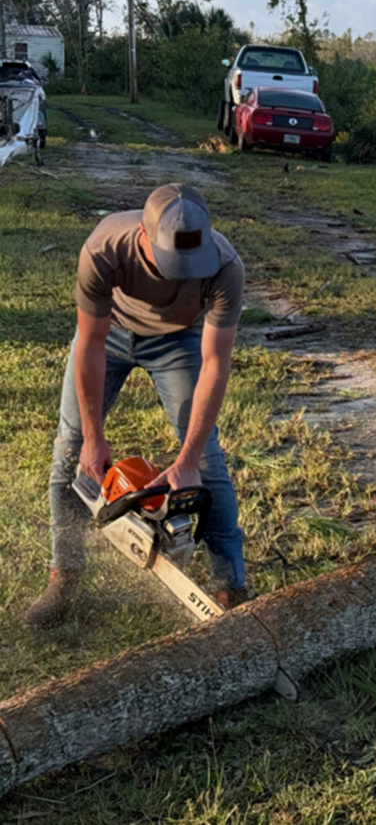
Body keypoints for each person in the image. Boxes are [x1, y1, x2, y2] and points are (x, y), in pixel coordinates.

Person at [25, 184, 247, 629]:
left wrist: (185, 462)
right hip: (109, 334)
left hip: (179, 341)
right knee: (70, 450)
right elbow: (88, 345)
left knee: (206, 460)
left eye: (190, 266)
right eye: (172, 264)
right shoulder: (104, 247)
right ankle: (64, 574)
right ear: (145, 237)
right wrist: (93, 438)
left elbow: (214, 363)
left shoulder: (225, 267)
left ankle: (232, 586)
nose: (182, 275)